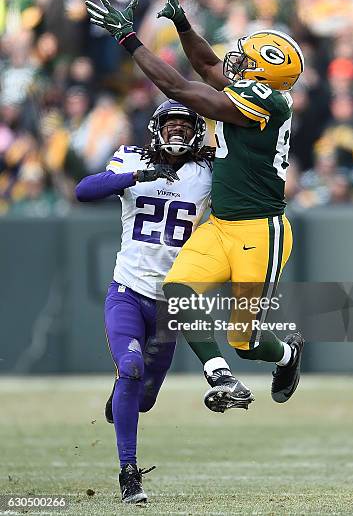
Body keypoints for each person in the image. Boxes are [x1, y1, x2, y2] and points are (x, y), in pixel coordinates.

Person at [85, 0, 305, 416]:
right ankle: (220, 377)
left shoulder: (268, 102)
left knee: (246, 341)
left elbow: (180, 87)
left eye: (247, 59)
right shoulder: (256, 90)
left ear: (265, 72)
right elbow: (206, 66)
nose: (236, 62)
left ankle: (287, 355)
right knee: (178, 291)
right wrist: (183, 25)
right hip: (221, 224)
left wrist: (130, 39)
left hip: (260, 231)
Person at [75, 100, 213, 503]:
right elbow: (84, 191)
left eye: (184, 126)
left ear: (197, 133)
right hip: (129, 292)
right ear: (156, 129)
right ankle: (128, 473)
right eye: (170, 124)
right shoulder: (132, 159)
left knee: (144, 398)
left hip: (170, 303)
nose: (177, 132)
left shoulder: (206, 173)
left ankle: (122, 397)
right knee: (131, 369)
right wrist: (137, 175)